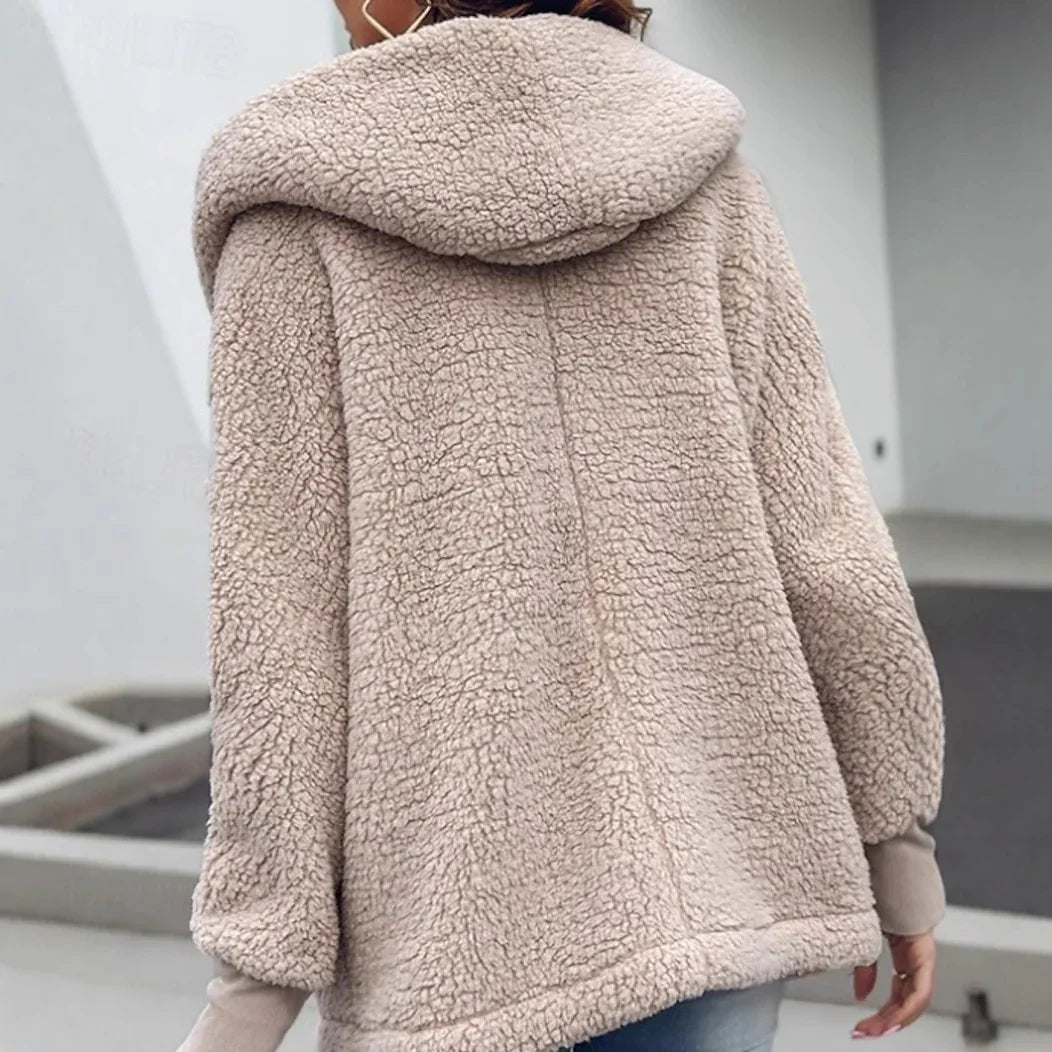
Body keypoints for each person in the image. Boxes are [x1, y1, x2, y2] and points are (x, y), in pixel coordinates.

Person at [176, 2, 947, 1050]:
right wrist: (896, 848)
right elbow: (826, 544)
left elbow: (278, 637)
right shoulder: (705, 181)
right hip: (719, 881)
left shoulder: (292, 225)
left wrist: (253, 988)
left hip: (456, 941)